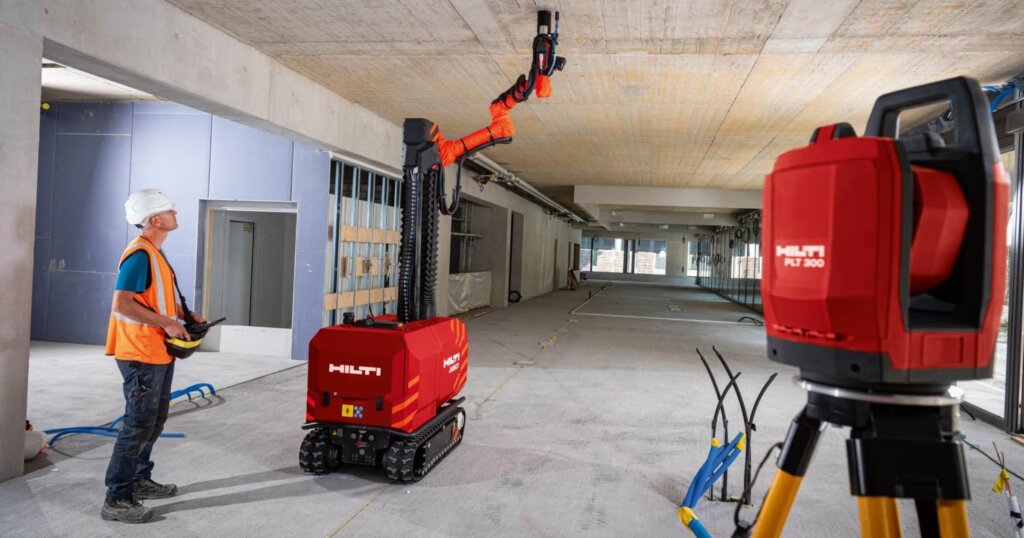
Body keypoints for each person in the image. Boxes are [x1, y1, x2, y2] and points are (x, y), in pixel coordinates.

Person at [101, 189, 204, 523]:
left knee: (155, 420)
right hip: (139, 353)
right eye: (170, 211)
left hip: (156, 351)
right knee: (137, 424)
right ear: (155, 220)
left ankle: (139, 478)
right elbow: (122, 303)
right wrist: (168, 323)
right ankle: (117, 498)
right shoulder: (139, 255)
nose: (176, 214)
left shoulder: (156, 254)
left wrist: (185, 314)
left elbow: (152, 298)